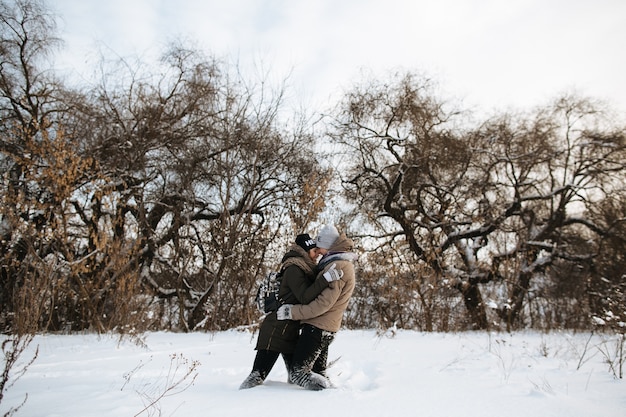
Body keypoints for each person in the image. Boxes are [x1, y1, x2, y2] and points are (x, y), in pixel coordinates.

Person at [239, 233, 342, 389]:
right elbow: (305, 296)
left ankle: (300, 401)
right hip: (276, 329)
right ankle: (237, 402)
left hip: (290, 330)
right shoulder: (294, 268)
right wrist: (325, 279)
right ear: (306, 251)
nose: (316, 255)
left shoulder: (304, 268)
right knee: (256, 376)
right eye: (314, 251)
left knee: (295, 378)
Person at [277, 225, 358, 390]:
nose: (318, 251)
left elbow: (322, 305)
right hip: (325, 327)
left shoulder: (337, 267)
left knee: (298, 373)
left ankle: (329, 393)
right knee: (318, 372)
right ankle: (327, 398)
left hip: (318, 328)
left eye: (320, 246)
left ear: (328, 245)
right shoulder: (338, 264)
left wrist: (292, 312)